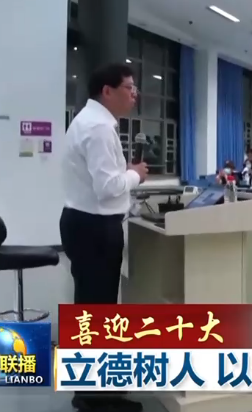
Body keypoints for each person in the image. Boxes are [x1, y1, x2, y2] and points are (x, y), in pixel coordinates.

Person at [60, 63, 147, 412]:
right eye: (129, 87)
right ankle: (97, 398)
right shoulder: (97, 128)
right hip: (95, 228)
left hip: (84, 224)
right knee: (98, 310)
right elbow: (108, 187)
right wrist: (135, 174)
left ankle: (92, 389)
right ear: (107, 91)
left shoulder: (90, 121)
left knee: (91, 309)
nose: (134, 94)